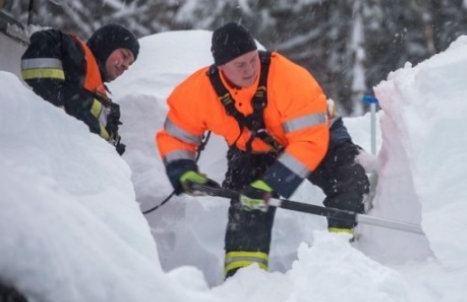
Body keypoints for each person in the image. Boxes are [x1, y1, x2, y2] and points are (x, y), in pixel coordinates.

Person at [156, 22, 369, 277]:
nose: (249, 69)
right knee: (247, 200)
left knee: (349, 177)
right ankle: (245, 277)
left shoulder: (291, 79)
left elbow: (309, 143)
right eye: (240, 64)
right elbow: (176, 136)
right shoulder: (198, 92)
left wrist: (274, 183)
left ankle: (343, 256)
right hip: (253, 149)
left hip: (319, 136)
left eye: (252, 59)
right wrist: (183, 171)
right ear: (221, 68)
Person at [20, 24, 140, 155]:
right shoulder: (76, 53)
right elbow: (45, 40)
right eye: (124, 55)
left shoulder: (102, 97)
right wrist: (56, 97)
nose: (126, 66)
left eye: (130, 64)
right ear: (107, 46)